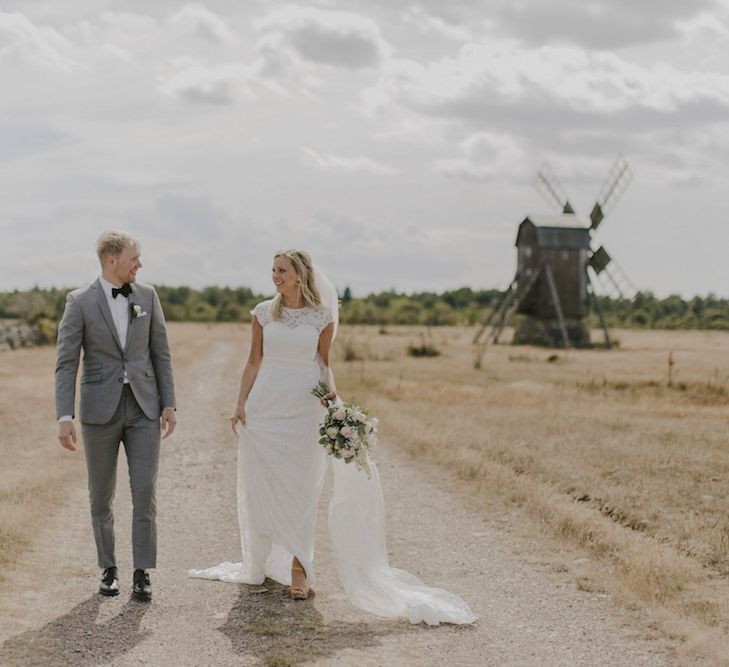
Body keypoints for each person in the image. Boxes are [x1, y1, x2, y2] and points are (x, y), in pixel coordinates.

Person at [190, 249, 475, 625]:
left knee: (303, 487)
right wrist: (241, 402)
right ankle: (262, 558)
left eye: (282, 270)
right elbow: (254, 360)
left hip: (305, 408)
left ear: (299, 274)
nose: (275, 276)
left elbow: (323, 364)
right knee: (265, 487)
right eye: (273, 270)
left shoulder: (322, 317)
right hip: (266, 406)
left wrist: (334, 405)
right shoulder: (262, 312)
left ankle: (299, 567)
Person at [55, 230, 176, 601]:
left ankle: (142, 572)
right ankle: (108, 569)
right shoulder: (79, 302)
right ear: (112, 260)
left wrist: (169, 403)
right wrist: (64, 415)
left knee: (145, 490)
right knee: (100, 495)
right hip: (98, 412)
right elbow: (65, 363)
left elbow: (161, 354)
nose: (140, 264)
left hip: (143, 407)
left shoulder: (148, 296)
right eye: (134, 258)